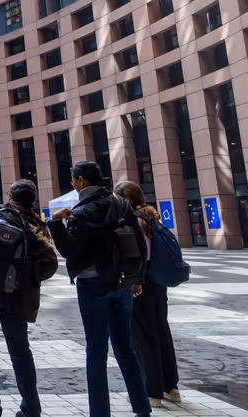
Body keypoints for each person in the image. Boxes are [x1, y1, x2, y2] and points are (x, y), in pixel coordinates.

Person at [49, 161, 151, 417]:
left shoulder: (80, 211)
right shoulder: (121, 204)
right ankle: (142, 409)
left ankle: (100, 413)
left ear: (81, 181)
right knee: (125, 347)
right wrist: (137, 278)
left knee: (96, 350)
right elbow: (137, 243)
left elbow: (70, 252)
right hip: (122, 283)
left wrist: (55, 223)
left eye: (73, 180)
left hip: (92, 284)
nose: (72, 184)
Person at [0, 180, 59, 417]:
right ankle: (30, 407)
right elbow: (50, 263)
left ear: (10, 196)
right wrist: (25, 277)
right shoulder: (35, 224)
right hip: (15, 297)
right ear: (32, 200)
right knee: (20, 350)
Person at [115, 181, 181, 408]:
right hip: (157, 283)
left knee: (143, 336)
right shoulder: (152, 219)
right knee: (161, 330)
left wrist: (133, 281)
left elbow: (136, 256)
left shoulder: (133, 222)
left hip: (139, 283)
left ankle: (151, 391)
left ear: (126, 199)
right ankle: (171, 387)